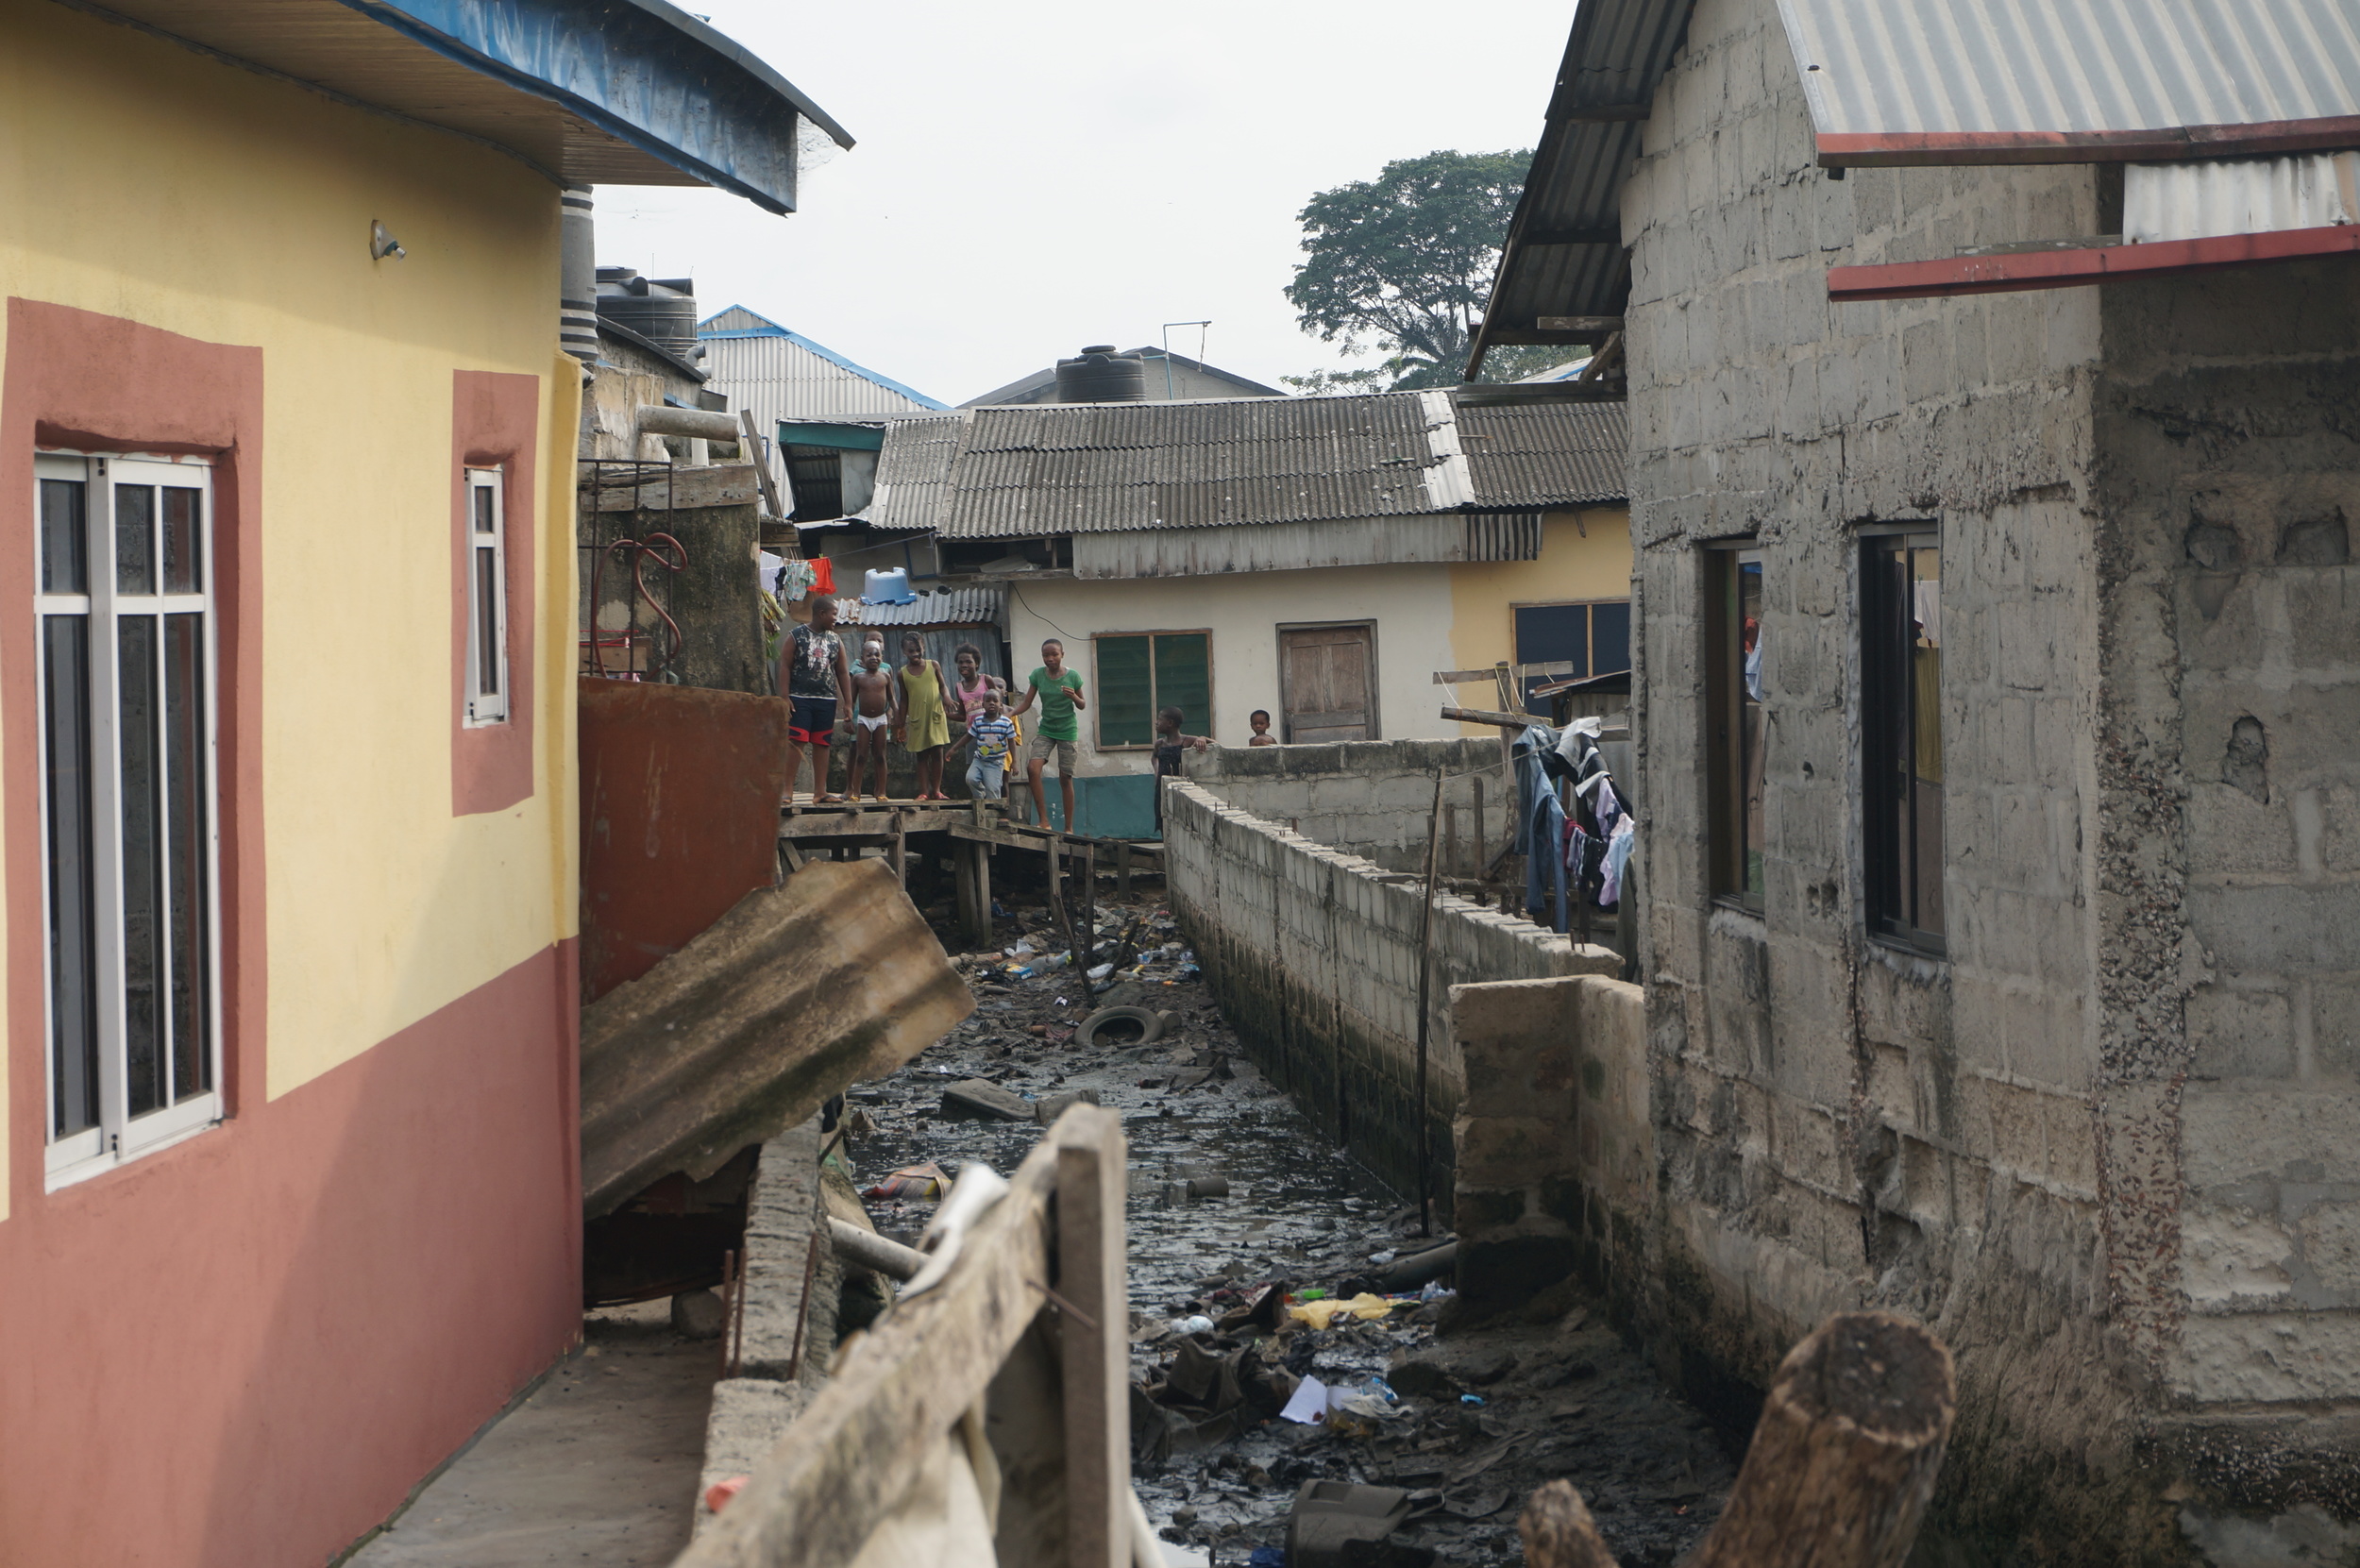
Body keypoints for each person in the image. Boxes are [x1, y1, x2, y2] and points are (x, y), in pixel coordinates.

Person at [779, 596, 851, 804]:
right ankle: (787, 790)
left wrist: (847, 702)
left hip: (826, 700)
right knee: (796, 741)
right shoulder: (796, 636)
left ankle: (820, 792)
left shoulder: (836, 640)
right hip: (800, 699)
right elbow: (784, 665)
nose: (836, 618)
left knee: (822, 744)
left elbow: (843, 672)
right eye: (834, 614)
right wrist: (784, 697)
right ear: (822, 614)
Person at [1008, 637, 1086, 830]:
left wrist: (1074, 696)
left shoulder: (1072, 676)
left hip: (1067, 730)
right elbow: (1027, 702)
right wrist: (1010, 713)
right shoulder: (1038, 675)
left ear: (1062, 655)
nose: (1050, 659)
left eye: (1054, 654)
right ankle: (1044, 821)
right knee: (1033, 769)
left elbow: (1082, 705)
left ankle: (1069, 828)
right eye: (1045, 655)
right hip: (1047, 729)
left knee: (1065, 777)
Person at [895, 632, 955, 801]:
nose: (915, 654)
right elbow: (904, 699)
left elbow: (943, 686)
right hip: (917, 719)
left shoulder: (933, 665)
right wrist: (900, 723)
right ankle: (924, 791)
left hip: (935, 716)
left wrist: (947, 697)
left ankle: (936, 790)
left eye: (918, 650)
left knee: (937, 753)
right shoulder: (902, 674)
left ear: (924, 648)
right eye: (911, 651)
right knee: (921, 755)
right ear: (904, 652)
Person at [845, 635, 898, 802]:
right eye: (869, 655)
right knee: (861, 755)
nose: (874, 658)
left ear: (882, 657)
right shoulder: (858, 678)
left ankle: (881, 791)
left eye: (877, 654)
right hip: (863, 720)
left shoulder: (885, 677)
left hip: (881, 719)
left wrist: (898, 715)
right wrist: (847, 719)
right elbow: (851, 700)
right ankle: (856, 791)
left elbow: (892, 699)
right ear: (862, 659)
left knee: (880, 755)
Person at [1152, 706, 1210, 830]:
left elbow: (1216, 745)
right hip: (1162, 788)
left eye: (1159, 719)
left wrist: (1203, 738)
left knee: (1180, 822)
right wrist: (1157, 772)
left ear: (1170, 723)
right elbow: (1154, 757)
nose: (1156, 722)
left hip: (1180, 788)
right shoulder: (1160, 744)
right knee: (1163, 821)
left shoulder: (1186, 741)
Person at [961, 687, 1017, 800]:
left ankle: (994, 811)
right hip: (979, 759)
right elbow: (969, 736)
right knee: (970, 779)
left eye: (995, 700)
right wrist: (953, 749)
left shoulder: (1006, 722)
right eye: (988, 700)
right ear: (983, 704)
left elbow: (1011, 741)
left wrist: (1014, 763)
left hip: (995, 762)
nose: (991, 703)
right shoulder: (978, 721)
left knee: (993, 789)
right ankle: (981, 796)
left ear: (1000, 704)